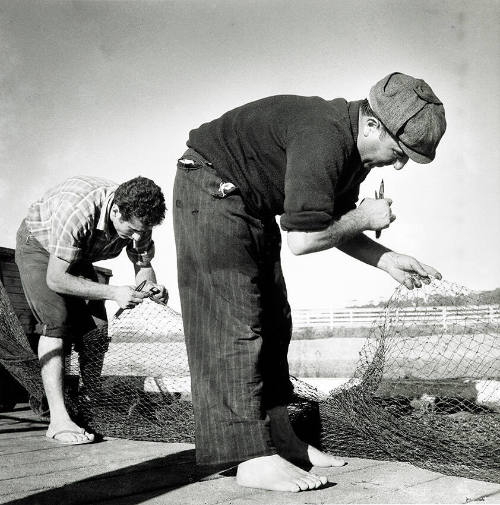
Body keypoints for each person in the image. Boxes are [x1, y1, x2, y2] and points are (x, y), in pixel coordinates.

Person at [173, 71, 446, 492]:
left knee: (275, 320)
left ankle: (281, 438)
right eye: (397, 151)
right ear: (372, 124)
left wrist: (386, 259)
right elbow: (303, 240)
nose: (398, 164)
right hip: (209, 184)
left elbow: (327, 225)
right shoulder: (324, 137)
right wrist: (366, 217)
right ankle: (250, 457)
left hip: (250, 203)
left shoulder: (355, 154)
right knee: (235, 320)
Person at [15, 175, 168, 445]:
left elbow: (143, 269)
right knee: (57, 322)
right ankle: (58, 419)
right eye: (131, 230)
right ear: (116, 211)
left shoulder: (140, 221)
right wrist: (113, 292)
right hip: (41, 248)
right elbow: (56, 279)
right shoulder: (78, 210)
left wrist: (150, 289)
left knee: (97, 329)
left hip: (78, 255)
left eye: (141, 232)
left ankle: (93, 404)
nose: (136, 237)